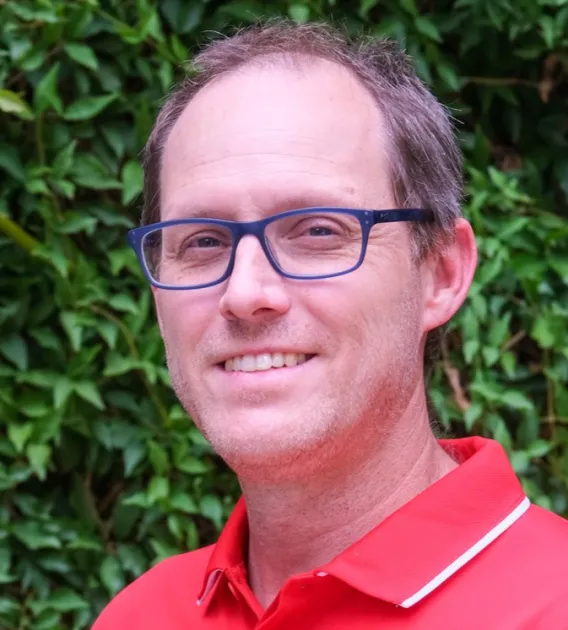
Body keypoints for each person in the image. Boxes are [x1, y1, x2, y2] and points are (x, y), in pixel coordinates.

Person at [93, 20, 568, 630]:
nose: (245, 294)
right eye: (203, 241)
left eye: (318, 231)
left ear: (441, 274)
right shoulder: (141, 615)